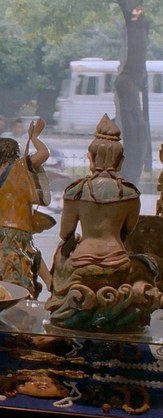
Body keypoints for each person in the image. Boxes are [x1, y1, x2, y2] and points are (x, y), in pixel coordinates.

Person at [46, 114, 161, 331]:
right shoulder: (130, 194)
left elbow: (65, 234)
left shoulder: (75, 191)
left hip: (82, 262)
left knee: (61, 253)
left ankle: (66, 303)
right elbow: (127, 232)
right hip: (118, 261)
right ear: (121, 161)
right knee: (146, 265)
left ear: (90, 158)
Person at [0, 118, 51, 298]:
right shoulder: (20, 168)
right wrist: (35, 138)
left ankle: (50, 282)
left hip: (0, 233)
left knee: (28, 261)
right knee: (15, 277)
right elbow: (44, 153)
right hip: (17, 233)